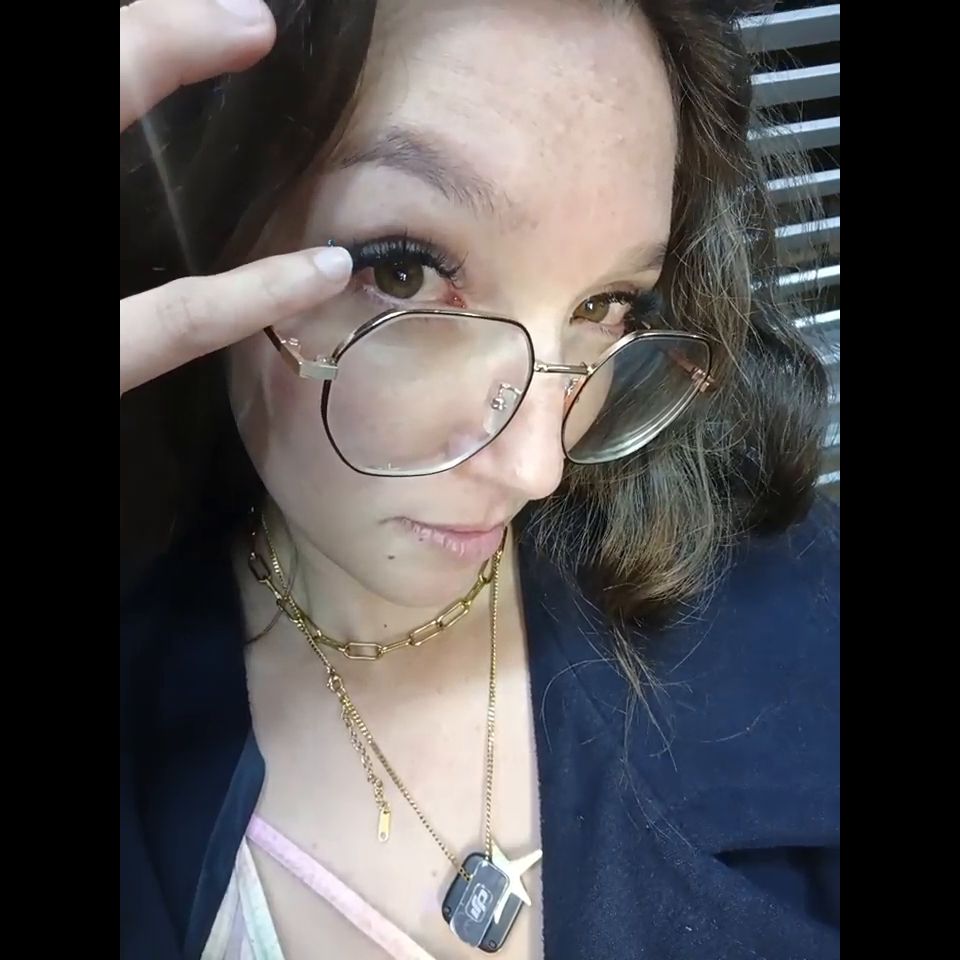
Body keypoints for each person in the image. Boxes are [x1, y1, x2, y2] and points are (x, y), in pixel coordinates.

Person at [119, 1, 840, 957]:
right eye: (407, 273)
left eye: (605, 304)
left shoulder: (789, 601)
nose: (538, 465)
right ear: (206, 224)